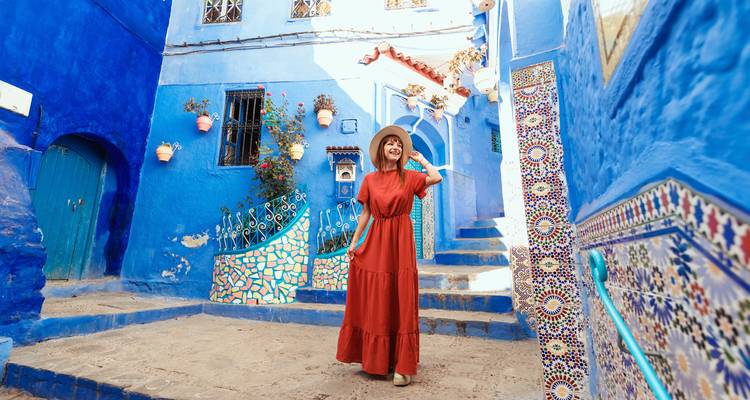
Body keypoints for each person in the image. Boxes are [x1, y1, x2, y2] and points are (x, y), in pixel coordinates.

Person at [335, 125, 443, 386]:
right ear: (382, 149)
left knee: (401, 295)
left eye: (399, 144)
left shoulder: (409, 176)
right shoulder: (370, 180)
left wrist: (422, 160)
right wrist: (354, 242)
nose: (395, 147)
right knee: (378, 294)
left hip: (401, 239)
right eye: (390, 143)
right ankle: (377, 359)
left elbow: (436, 177)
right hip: (376, 240)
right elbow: (366, 214)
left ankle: (402, 366)